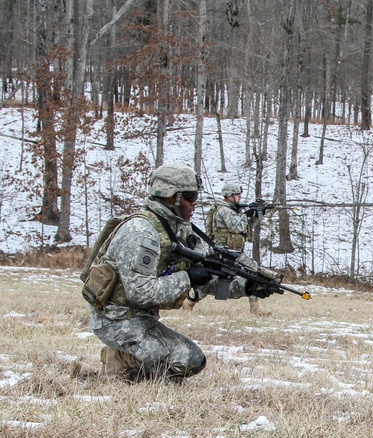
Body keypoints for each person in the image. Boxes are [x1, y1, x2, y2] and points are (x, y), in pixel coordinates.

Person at [80, 164, 272, 382]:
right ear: (171, 198)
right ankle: (120, 359)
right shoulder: (141, 233)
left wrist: (246, 287)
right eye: (190, 197)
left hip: (141, 316)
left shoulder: (179, 229)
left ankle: (130, 364)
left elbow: (207, 278)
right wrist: (188, 277)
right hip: (115, 319)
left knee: (187, 363)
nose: (195, 202)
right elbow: (140, 292)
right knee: (188, 360)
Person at [206, 182, 269, 315]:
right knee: (254, 272)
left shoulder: (233, 211)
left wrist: (257, 215)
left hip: (232, 252)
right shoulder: (224, 211)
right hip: (224, 252)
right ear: (229, 196)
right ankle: (255, 308)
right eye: (237, 195)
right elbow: (237, 227)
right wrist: (247, 214)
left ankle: (189, 302)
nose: (239, 198)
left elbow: (246, 227)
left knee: (215, 278)